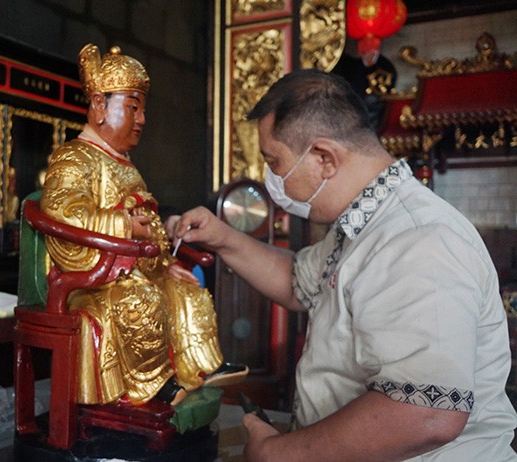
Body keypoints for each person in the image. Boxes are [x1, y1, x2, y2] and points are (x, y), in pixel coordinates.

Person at [168, 69, 517, 461]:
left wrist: (279, 453)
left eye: (275, 162)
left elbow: (426, 414)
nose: (274, 180)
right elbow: (297, 281)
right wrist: (223, 237)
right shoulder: (361, 223)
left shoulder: (418, 239)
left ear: (324, 158)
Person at [39, 43, 246, 408]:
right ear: (100, 106)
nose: (142, 120)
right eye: (133, 108)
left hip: (134, 267)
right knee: (141, 301)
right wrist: (123, 224)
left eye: (142, 109)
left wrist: (167, 263)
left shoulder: (125, 163)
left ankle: (201, 368)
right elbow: (62, 214)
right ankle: (150, 386)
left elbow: (147, 219)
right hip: (96, 278)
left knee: (188, 291)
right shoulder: (75, 158)